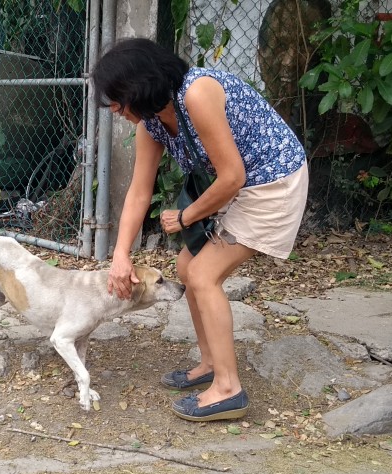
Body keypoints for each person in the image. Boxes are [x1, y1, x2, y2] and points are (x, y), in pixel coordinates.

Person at [91, 38, 308, 422]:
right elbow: (139, 193)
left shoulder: (197, 92)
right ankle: (210, 364)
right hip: (237, 187)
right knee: (185, 268)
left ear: (139, 86)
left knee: (204, 275)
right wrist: (120, 255)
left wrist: (187, 215)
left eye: (117, 99)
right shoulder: (152, 123)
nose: (114, 109)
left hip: (273, 182)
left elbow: (233, 176)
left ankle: (229, 389)